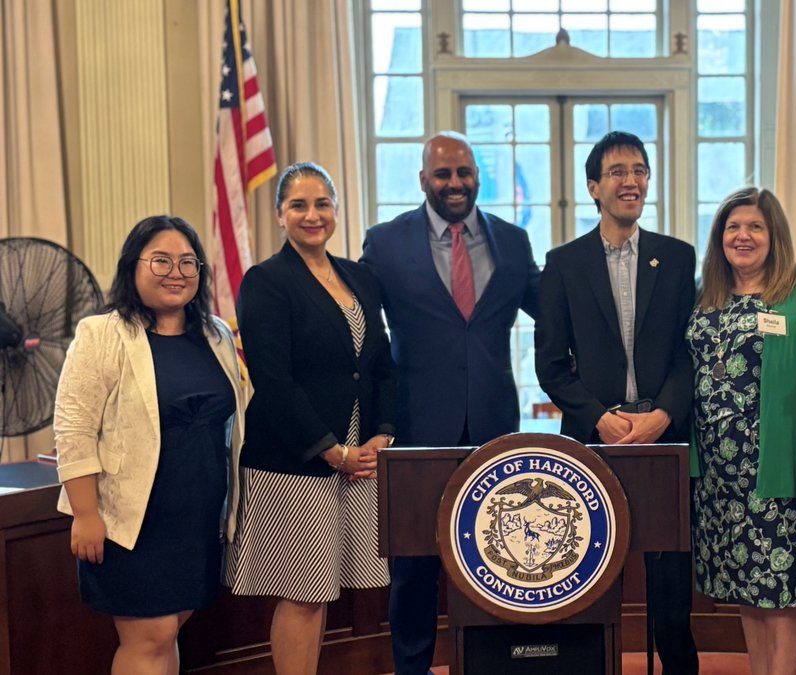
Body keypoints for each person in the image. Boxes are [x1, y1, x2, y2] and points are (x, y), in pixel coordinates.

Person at [361, 131, 540, 675]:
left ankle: (489, 665)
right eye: (443, 174)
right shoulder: (385, 243)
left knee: (496, 559)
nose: (455, 183)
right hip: (414, 432)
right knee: (414, 569)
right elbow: (360, 336)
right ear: (423, 180)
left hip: (494, 428)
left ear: (477, 177)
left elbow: (555, 317)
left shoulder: (512, 241)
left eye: (464, 172)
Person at [535, 130, 699, 674]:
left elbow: (685, 354)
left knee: (671, 587)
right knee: (588, 575)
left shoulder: (677, 259)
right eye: (617, 172)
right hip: (591, 441)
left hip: (663, 437)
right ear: (593, 187)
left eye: (640, 170)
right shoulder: (562, 263)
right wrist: (599, 418)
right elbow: (550, 365)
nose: (631, 181)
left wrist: (663, 416)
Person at [224, 162, 395, 675]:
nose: (312, 215)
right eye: (298, 205)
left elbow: (381, 364)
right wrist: (331, 450)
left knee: (324, 590)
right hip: (296, 463)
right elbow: (273, 381)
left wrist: (383, 434)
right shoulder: (266, 281)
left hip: (359, 457)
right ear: (280, 214)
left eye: (322, 203)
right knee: (302, 594)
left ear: (337, 211)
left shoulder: (360, 276)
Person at [54, 215, 245, 674]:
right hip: (131, 520)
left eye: (187, 262)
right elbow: (73, 427)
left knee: (169, 630)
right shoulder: (103, 334)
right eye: (160, 260)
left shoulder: (215, 334)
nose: (175, 272)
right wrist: (85, 514)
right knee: (150, 635)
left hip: (199, 518)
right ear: (132, 267)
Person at [687, 187, 796, 675]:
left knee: (784, 586)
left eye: (755, 227)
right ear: (720, 237)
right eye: (733, 227)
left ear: (774, 236)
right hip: (718, 476)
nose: (743, 236)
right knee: (743, 587)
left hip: (779, 465)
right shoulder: (704, 294)